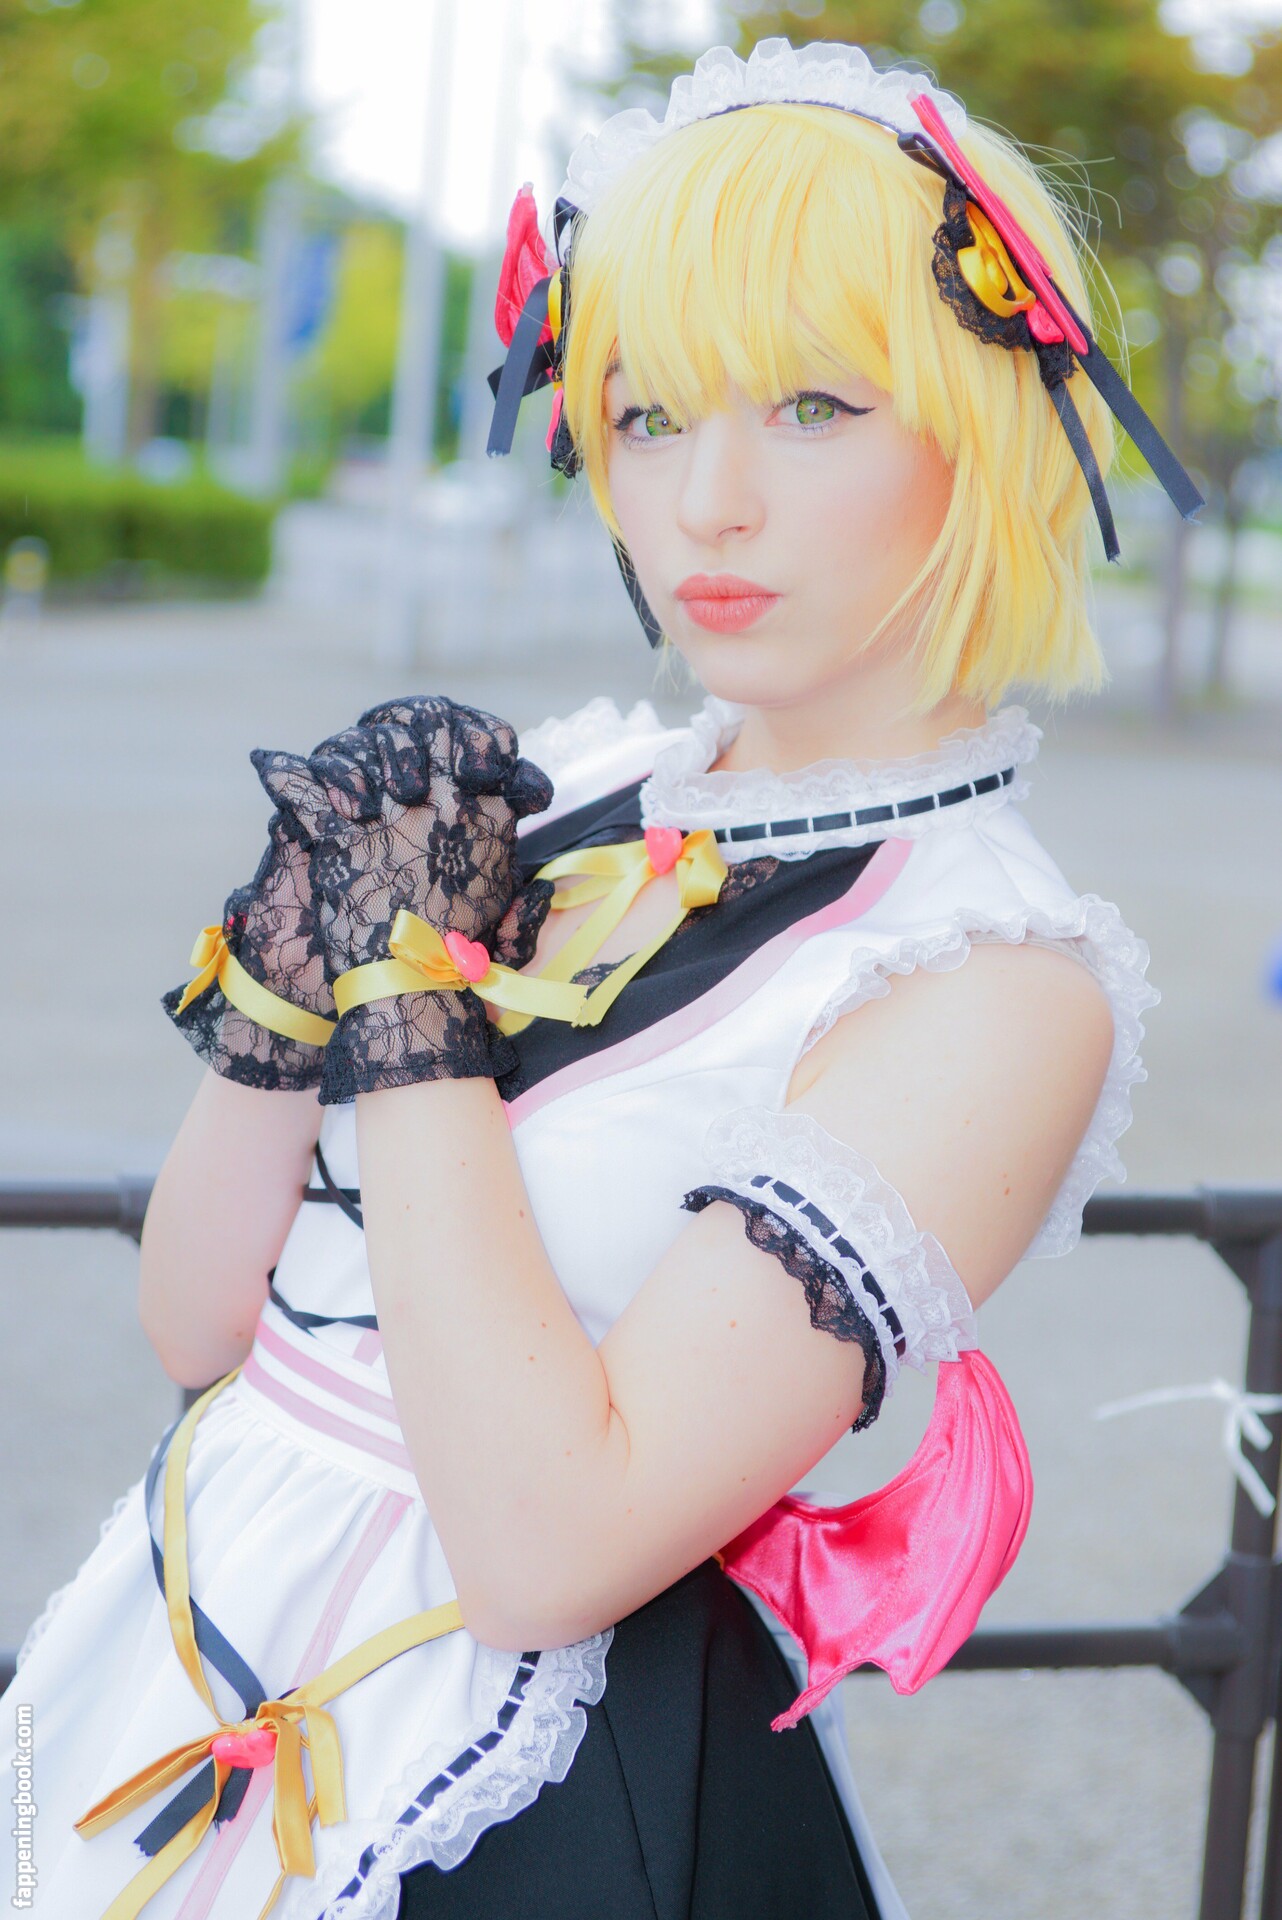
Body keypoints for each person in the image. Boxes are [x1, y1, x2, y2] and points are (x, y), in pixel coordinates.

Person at [2, 38, 1184, 1920]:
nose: (708, 501)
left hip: (526, 1800)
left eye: (812, 406)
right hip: (176, 1631)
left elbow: (548, 1552)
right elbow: (205, 1325)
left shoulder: (987, 974)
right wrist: (286, 983)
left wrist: (406, 1008)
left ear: (982, 425)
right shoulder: (569, 783)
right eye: (647, 414)